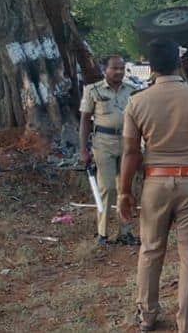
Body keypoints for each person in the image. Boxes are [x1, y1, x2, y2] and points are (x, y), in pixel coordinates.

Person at [118, 38, 188, 332]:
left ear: (150, 67)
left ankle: (147, 317)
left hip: (155, 183)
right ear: (179, 63)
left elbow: (131, 151)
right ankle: (187, 323)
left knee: (150, 250)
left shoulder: (137, 101)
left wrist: (124, 192)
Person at [78, 55, 139, 246]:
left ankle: (125, 232)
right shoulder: (92, 90)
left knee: (127, 187)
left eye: (122, 68)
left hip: (127, 142)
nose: (119, 72)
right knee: (107, 188)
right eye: (115, 68)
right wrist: (83, 150)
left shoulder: (132, 90)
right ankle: (102, 234)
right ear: (106, 69)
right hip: (103, 143)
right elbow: (85, 121)